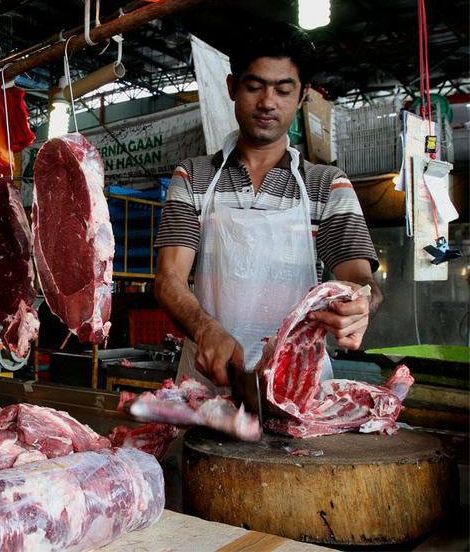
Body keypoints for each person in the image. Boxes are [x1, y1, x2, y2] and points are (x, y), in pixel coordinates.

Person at [154, 23, 382, 390]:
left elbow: (359, 278)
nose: (267, 102)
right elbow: (169, 279)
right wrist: (205, 328)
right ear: (232, 88)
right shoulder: (193, 177)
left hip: (298, 386)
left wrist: (360, 305)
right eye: (254, 86)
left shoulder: (327, 185)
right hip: (207, 383)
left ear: (303, 95)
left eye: (283, 89)